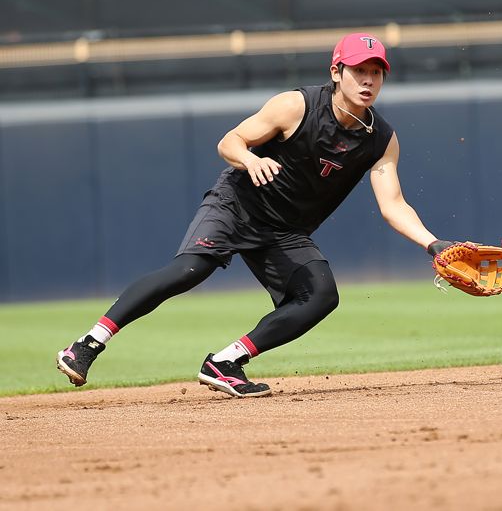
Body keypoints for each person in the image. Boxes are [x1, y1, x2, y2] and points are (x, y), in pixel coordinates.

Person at [56, 32, 453, 398]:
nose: (368, 80)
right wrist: (248, 158)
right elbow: (230, 141)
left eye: (376, 72)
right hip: (238, 205)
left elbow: (394, 203)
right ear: (336, 72)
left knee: (321, 297)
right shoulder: (296, 106)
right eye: (359, 70)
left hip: (285, 230)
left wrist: (432, 243)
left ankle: (225, 361)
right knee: (190, 269)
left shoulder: (381, 139)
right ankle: (87, 345)